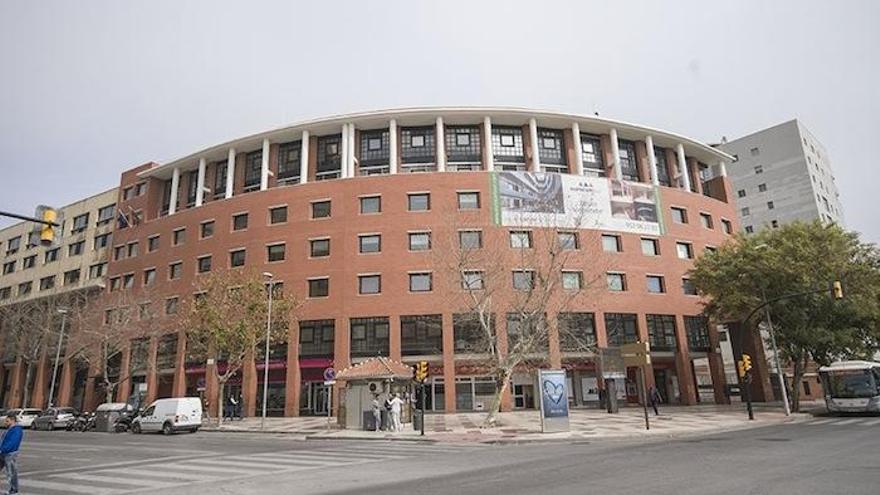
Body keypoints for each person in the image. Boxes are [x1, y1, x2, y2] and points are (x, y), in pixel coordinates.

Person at [0, 412, 22, 495]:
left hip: (10, 454)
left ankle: (14, 490)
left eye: (7, 421)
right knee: (11, 472)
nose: (5, 423)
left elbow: (12, 443)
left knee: (11, 473)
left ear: (13, 421)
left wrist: (2, 449)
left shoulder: (16, 430)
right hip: (3, 453)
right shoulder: (9, 430)